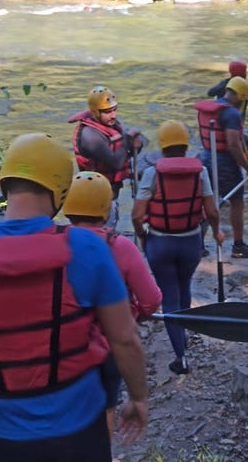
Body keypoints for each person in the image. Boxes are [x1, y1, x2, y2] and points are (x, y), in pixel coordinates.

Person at [0, 133, 148, 461]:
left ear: (4, 185)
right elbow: (125, 340)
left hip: (0, 438)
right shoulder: (88, 248)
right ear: (62, 190)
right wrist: (138, 397)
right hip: (80, 433)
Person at [62, 170, 162, 446]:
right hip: (108, 346)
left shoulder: (53, 242)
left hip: (63, 343)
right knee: (107, 404)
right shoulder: (121, 246)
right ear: (107, 208)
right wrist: (133, 314)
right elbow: (152, 300)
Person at [131, 120, 224, 374]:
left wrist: (141, 236)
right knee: (184, 288)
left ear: (162, 147)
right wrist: (217, 232)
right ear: (185, 146)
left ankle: (180, 356)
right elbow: (212, 211)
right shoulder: (201, 172)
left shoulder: (152, 174)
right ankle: (181, 336)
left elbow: (137, 215)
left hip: (160, 243)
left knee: (169, 296)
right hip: (191, 242)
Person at [195, 76, 248, 258]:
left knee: (208, 201)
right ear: (240, 96)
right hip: (224, 162)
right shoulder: (231, 114)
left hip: (205, 158)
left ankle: (198, 245)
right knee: (237, 202)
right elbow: (233, 145)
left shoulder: (211, 108)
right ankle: (238, 246)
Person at [69, 86, 142, 229]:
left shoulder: (112, 125)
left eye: (115, 110)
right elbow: (115, 163)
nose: (113, 115)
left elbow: (124, 152)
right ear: (96, 112)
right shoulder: (90, 136)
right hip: (93, 200)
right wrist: (127, 139)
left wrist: (137, 144)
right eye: (108, 112)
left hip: (110, 196)